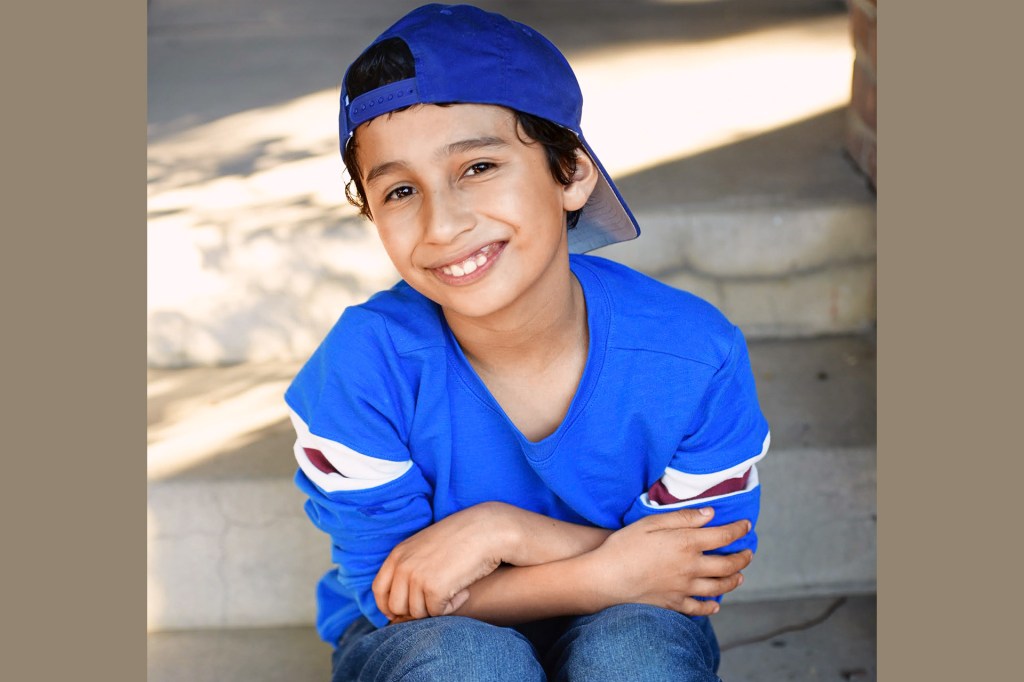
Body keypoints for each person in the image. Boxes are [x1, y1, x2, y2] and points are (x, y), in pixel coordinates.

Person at [285, 4, 770, 681]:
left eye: (478, 167)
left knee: (633, 655)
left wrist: (501, 531)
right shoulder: (363, 367)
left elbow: (696, 565)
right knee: (468, 661)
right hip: (423, 638)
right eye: (399, 189)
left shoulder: (692, 356)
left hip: (638, 620)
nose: (443, 223)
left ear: (571, 172)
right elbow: (396, 596)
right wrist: (607, 570)